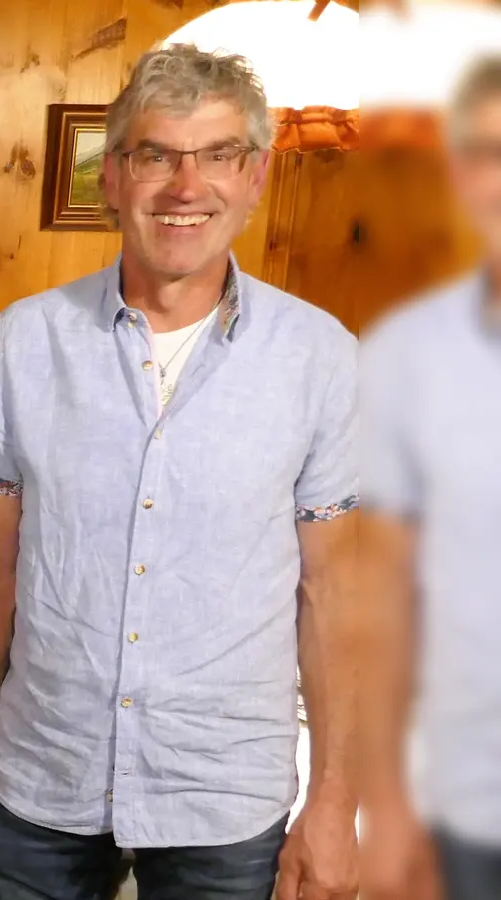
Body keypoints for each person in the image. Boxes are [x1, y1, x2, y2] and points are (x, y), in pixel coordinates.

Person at [0, 45, 360, 900]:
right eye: (157, 154)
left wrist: (335, 801)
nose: (186, 187)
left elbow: (333, 594)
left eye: (219, 155)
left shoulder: (320, 359)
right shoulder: (19, 346)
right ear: (112, 176)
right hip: (41, 782)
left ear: (257, 175)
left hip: (225, 796)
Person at [358, 54, 501, 900]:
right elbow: (378, 601)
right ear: (460, 171)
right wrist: (387, 807)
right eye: (490, 151)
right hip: (471, 813)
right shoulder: (408, 358)